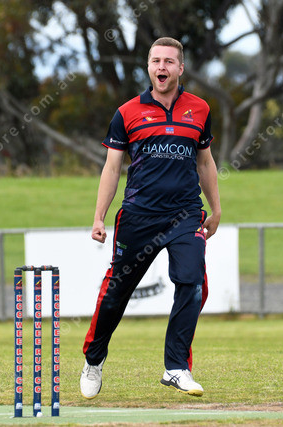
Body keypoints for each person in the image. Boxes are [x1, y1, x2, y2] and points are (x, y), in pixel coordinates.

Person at [80, 37, 221, 399]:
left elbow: (205, 162)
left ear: (180, 68)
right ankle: (93, 360)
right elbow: (112, 168)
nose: (162, 67)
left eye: (169, 61)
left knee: (193, 283)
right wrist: (98, 216)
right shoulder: (127, 112)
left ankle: (176, 367)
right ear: (148, 67)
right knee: (117, 292)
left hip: (185, 215)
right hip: (138, 217)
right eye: (156, 61)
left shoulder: (200, 109)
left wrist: (216, 208)